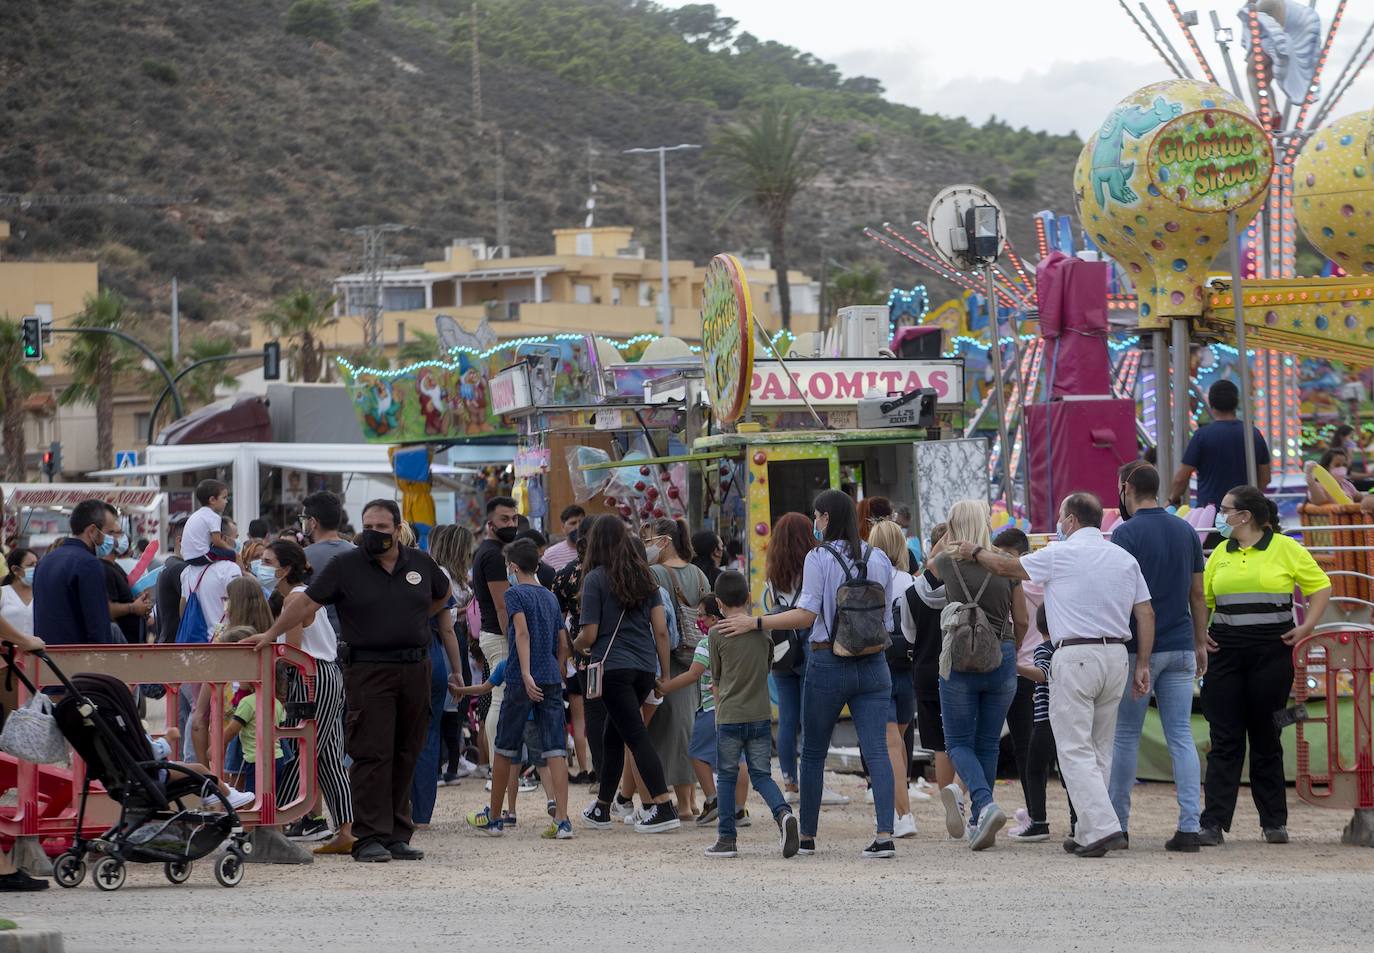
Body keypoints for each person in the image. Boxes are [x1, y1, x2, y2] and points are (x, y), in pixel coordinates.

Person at [255, 499, 457, 863]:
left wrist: (413, 618)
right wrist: (271, 634)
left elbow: (443, 594)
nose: (374, 533)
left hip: (415, 667)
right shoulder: (346, 565)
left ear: (398, 529)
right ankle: (367, 837)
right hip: (368, 669)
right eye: (368, 526)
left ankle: (397, 834)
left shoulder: (420, 563)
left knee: (407, 751)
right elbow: (305, 604)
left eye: (382, 527)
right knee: (371, 752)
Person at [957, 492, 1154, 858]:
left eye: (1061, 517)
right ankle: (1087, 831)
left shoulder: (1059, 553)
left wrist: (975, 551)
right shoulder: (1124, 558)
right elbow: (1145, 613)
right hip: (1116, 656)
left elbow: (1005, 567)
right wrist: (1143, 663)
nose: (1059, 524)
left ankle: (1104, 826)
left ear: (1071, 520)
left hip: (1076, 654)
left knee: (1074, 748)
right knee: (1099, 747)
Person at [718, 489, 896, 859]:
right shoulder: (878, 557)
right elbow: (887, 619)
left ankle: (809, 836)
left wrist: (756, 622)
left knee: (813, 751)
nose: (815, 522)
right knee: (877, 749)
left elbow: (806, 615)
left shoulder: (819, 557)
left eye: (817, 516)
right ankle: (884, 835)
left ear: (826, 517)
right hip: (874, 664)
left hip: (828, 661)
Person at [1200, 485, 1331, 846]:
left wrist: (1307, 627)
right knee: (1224, 739)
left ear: (1245, 516)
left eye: (1225, 510)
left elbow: (1321, 587)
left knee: (1266, 737)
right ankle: (1213, 824)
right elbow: (1205, 600)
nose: (1220, 516)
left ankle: (1274, 822)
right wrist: (1200, 635)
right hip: (1225, 654)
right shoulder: (1219, 553)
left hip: (1272, 654)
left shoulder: (1286, 548)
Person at [1109, 462, 1208, 851]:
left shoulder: (1125, 534)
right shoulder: (1186, 530)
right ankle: (1189, 826)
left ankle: (1118, 825)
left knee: (1126, 735)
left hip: (1140, 648)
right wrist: (1200, 641)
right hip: (1181, 644)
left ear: (1127, 487)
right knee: (1181, 735)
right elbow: (1197, 594)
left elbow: (1121, 596)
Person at [928, 500, 1027, 850]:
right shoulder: (1005, 564)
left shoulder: (946, 563)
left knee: (957, 742)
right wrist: (1010, 647)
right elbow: (1022, 618)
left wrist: (949, 534)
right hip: (1001, 653)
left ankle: (984, 805)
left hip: (958, 658)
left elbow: (929, 563)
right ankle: (977, 820)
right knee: (987, 742)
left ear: (954, 527)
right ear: (987, 524)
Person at [572, 517, 679, 834]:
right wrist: (664, 674)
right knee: (613, 734)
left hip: (613, 668)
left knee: (635, 735)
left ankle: (663, 806)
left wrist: (573, 644)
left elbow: (590, 634)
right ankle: (602, 807)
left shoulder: (595, 579)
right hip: (645, 667)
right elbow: (661, 631)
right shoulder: (646, 578)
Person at [250, 540, 355, 855]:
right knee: (328, 757)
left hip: (311, 679)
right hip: (327, 675)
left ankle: (272, 821)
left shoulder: (294, 599)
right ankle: (346, 829)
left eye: (267, 562)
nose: (261, 567)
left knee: (302, 751)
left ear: (284, 569)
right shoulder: (303, 595)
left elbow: (291, 651)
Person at [465, 538, 573, 839]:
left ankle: (494, 817)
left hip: (520, 677)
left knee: (505, 747)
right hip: (550, 676)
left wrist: (525, 672)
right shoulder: (550, 597)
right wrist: (557, 668)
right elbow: (563, 642)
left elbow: (521, 633)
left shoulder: (514, 594)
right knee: (555, 749)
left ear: (512, 566)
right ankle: (563, 820)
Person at [699, 570, 800, 859]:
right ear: (748, 598)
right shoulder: (763, 631)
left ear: (718, 604)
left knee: (727, 777)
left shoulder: (716, 634)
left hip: (730, 715)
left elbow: (716, 679)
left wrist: (718, 713)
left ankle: (727, 838)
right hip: (759, 714)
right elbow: (766, 667)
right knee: (761, 775)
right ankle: (783, 814)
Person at [643, 517, 711, 816]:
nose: (645, 547)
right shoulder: (699, 574)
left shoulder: (655, 573)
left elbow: (658, 627)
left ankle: (683, 803)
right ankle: (691, 799)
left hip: (668, 662)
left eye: (648, 541)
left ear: (664, 541)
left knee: (672, 732)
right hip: (696, 658)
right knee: (688, 727)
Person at [866, 520, 920, 839]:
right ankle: (900, 805)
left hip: (879, 665)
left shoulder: (872, 579)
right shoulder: (913, 582)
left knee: (889, 745)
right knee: (897, 742)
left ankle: (903, 814)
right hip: (908, 670)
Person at [763, 512, 818, 803]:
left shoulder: (774, 570)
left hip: (782, 648)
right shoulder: (812, 566)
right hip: (808, 646)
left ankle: (789, 783)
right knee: (811, 718)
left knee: (786, 718)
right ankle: (811, 781)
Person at [1013, 603, 1075, 842]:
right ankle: (1077, 821)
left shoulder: (1043, 649)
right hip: (1068, 719)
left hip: (1046, 721)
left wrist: (1017, 667)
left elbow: (1043, 674)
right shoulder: (1067, 648)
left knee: (1034, 769)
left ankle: (1038, 822)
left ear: (1038, 626)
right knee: (1069, 773)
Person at [991, 525, 1036, 824]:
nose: (1001, 562)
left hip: (1017, 669)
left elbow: (1019, 622)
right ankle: (1036, 811)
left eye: (1005, 556)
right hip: (1041, 670)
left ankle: (1035, 813)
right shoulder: (1044, 582)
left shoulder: (1012, 585)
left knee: (1022, 745)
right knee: (1034, 744)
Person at [1170, 380, 1272, 508]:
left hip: (1210, 512)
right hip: (1245, 511)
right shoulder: (1253, 434)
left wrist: (1172, 499)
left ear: (1211, 403)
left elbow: (1181, 478)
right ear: (1236, 403)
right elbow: (1265, 477)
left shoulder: (1201, 436)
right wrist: (1251, 498)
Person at [472, 496, 521, 764]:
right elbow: (503, 605)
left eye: (514, 518)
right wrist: (514, 639)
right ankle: (497, 765)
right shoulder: (492, 554)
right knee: (500, 700)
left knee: (500, 698)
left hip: (495, 634)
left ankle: (500, 765)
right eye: (505, 519)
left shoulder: (492, 551)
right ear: (490, 523)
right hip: (500, 634)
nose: (511, 524)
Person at [32, 498, 120, 645]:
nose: (113, 540)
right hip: (80, 655)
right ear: (92, 531)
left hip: (47, 653)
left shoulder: (45, 561)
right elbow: (98, 627)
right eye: (109, 532)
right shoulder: (89, 564)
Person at [551, 515, 599, 782]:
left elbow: (558, 621)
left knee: (587, 716)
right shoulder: (621, 570)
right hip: (617, 652)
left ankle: (591, 770)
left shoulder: (567, 573)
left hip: (581, 656)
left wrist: (563, 655)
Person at [910, 523, 956, 794]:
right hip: (958, 668)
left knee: (940, 745)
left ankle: (947, 799)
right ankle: (964, 796)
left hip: (925, 669)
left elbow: (909, 633)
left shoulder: (914, 590)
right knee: (963, 739)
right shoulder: (960, 586)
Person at [301, 490, 354, 639]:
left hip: (318, 638)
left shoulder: (302, 557)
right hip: (353, 634)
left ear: (313, 522)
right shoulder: (358, 553)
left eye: (304, 519)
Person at [101, 524, 150, 643]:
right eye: (118, 533)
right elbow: (107, 609)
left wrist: (141, 602)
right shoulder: (104, 569)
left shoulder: (115, 566)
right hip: (122, 644)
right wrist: (133, 608)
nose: (123, 537)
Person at [182, 478, 234, 563]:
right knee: (234, 555)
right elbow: (217, 541)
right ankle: (244, 570)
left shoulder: (196, 514)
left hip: (187, 557)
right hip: (201, 556)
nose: (226, 501)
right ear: (212, 500)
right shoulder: (213, 517)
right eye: (224, 498)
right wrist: (231, 549)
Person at [154, 517, 188, 643]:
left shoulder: (169, 564)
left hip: (167, 641)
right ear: (180, 541)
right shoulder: (179, 568)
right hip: (175, 644)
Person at [1, 549, 38, 639]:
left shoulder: (40, 594)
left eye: (36, 565)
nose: (35, 568)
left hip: (36, 646)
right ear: (15, 570)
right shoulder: (3, 593)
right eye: (30, 565)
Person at [542, 505, 585, 572]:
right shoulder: (550, 555)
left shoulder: (594, 551)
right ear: (563, 527)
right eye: (573, 523)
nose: (578, 527)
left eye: (581, 523)